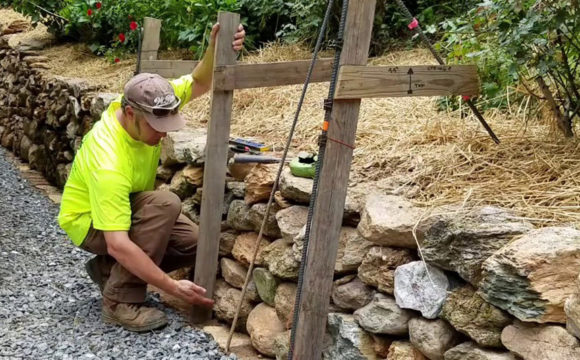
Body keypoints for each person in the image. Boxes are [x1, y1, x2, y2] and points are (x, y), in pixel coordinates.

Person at [57, 23, 246, 332]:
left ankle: (109, 271)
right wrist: (171, 287)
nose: (165, 132)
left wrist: (216, 47)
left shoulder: (152, 103)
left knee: (196, 243)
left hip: (124, 205)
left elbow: (199, 82)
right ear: (130, 114)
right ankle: (120, 302)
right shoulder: (109, 160)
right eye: (158, 126)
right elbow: (118, 242)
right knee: (166, 203)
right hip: (88, 221)